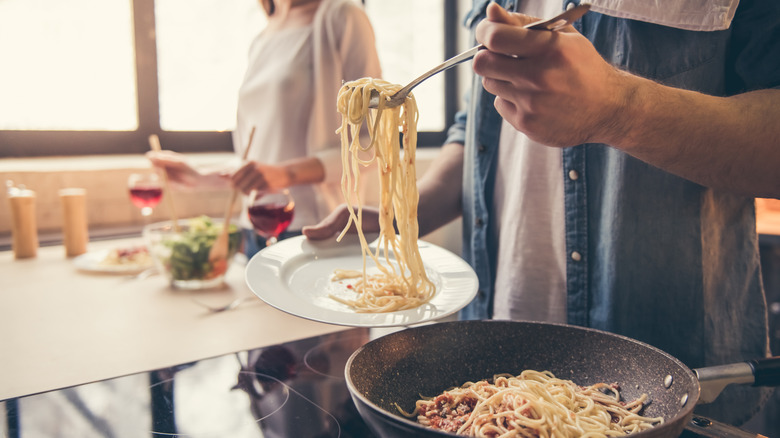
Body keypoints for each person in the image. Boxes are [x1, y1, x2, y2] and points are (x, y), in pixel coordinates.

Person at [303, 0, 780, 427]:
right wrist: (403, 211)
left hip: (658, 379)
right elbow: (477, 127)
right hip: (487, 377)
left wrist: (620, 108)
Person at [148, 0, 381, 257]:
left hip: (314, 230)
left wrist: (285, 174)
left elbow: (373, 146)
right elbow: (261, 157)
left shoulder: (343, 17)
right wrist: (201, 176)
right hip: (255, 228)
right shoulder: (262, 37)